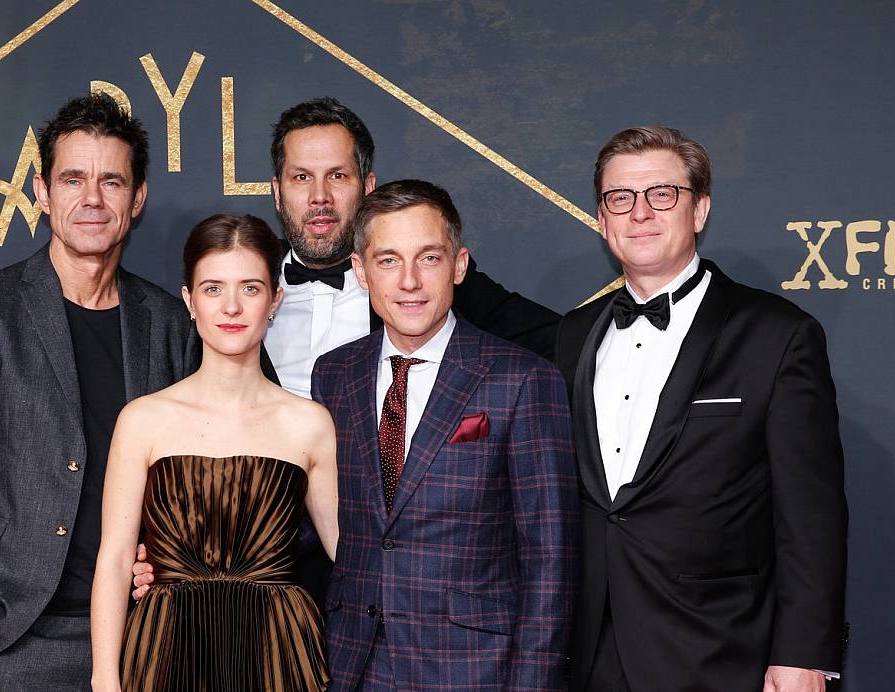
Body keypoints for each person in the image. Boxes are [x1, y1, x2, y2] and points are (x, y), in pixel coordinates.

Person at [0, 93, 196, 690]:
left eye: (112, 181)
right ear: (42, 191)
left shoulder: (170, 324)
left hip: (146, 635)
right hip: (17, 638)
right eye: (73, 178)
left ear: (137, 199)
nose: (92, 198)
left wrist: (168, 561)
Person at [553, 126, 848, 692]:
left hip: (720, 652)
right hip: (588, 653)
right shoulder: (573, 335)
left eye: (662, 193)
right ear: (602, 218)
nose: (640, 212)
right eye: (621, 198)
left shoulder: (776, 335)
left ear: (700, 209)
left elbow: (811, 519)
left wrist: (803, 655)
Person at [313, 180, 577, 690]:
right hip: (351, 664)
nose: (409, 281)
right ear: (361, 272)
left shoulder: (520, 379)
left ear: (458, 265)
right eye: (388, 260)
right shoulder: (334, 375)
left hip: (475, 670)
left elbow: (551, 560)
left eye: (428, 258)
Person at [90, 214, 338, 692]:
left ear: (274, 300)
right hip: (165, 653)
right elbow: (116, 560)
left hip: (279, 654)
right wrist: (105, 679)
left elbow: (349, 555)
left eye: (249, 288)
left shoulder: (309, 423)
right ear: (189, 301)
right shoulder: (142, 420)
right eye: (212, 288)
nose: (231, 306)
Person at [264, 97, 561, 400]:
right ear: (278, 192)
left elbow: (559, 341)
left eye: (337, 176)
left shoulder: (431, 276)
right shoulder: (246, 277)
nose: (320, 196)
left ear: (367, 188)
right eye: (301, 177)